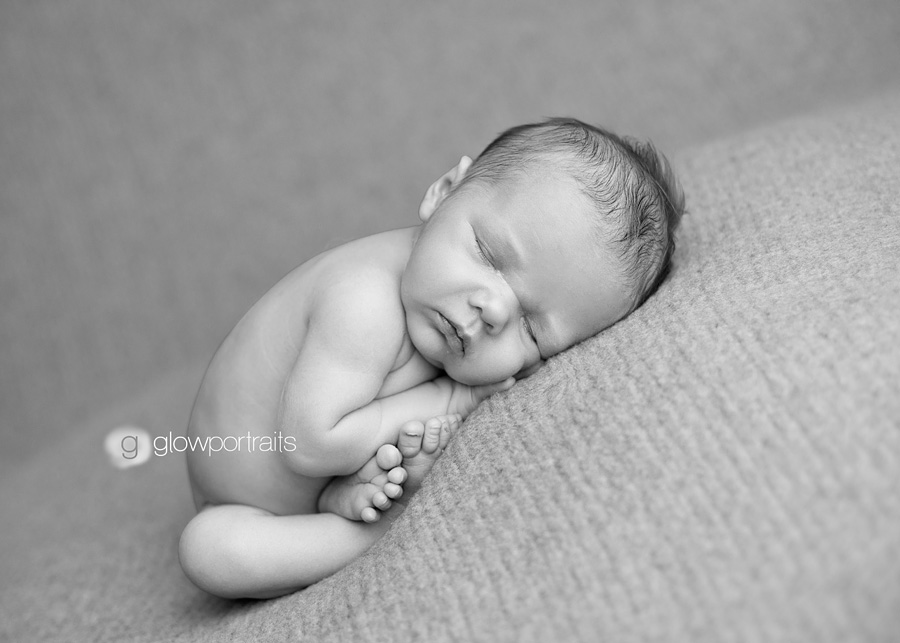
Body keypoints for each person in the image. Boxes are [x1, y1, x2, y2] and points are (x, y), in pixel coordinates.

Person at [178, 117, 685, 599]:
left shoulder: (436, 307)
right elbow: (309, 444)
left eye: (532, 330)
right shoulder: (364, 302)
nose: (492, 309)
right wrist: (449, 397)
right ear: (442, 193)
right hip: (244, 493)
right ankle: (364, 537)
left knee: (385, 457)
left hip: (322, 470)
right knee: (209, 551)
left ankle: (341, 501)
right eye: (488, 253)